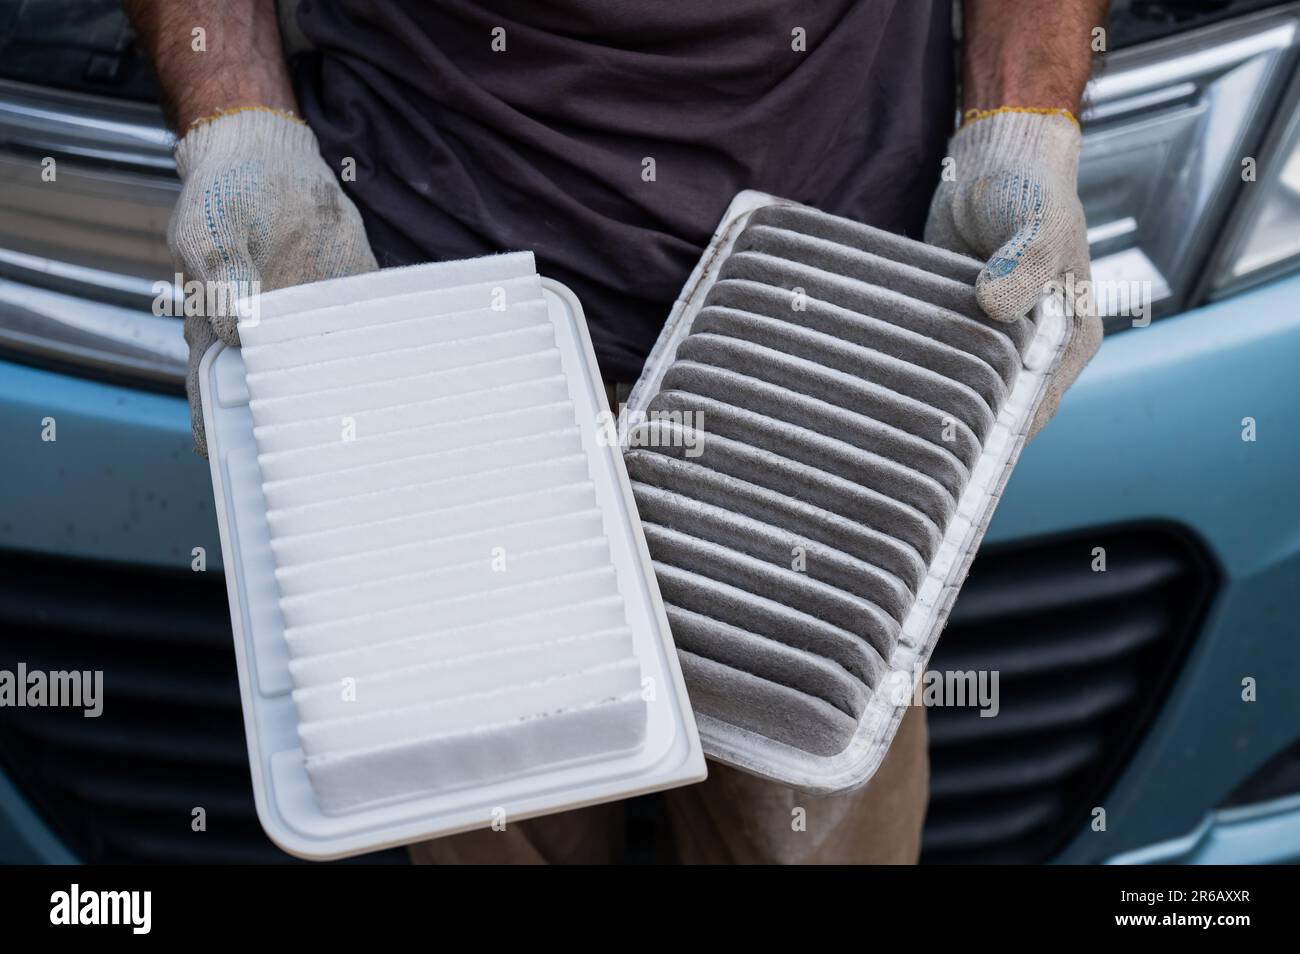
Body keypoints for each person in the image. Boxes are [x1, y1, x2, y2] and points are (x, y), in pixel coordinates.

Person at [123, 0, 1106, 864]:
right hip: (437, 300)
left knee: (809, 806)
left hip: (822, 315)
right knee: (490, 802)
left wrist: (1020, 126)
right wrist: (237, 123)